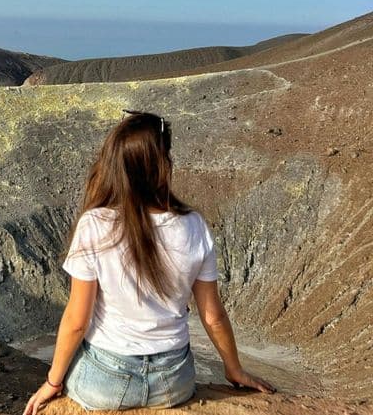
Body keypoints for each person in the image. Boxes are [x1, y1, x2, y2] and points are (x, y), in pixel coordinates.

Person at [23, 110, 275, 415]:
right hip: (174, 382)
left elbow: (77, 321)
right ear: (163, 164)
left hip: (107, 381)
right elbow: (213, 317)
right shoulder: (195, 226)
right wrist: (234, 369)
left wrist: (52, 382)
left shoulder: (96, 225)